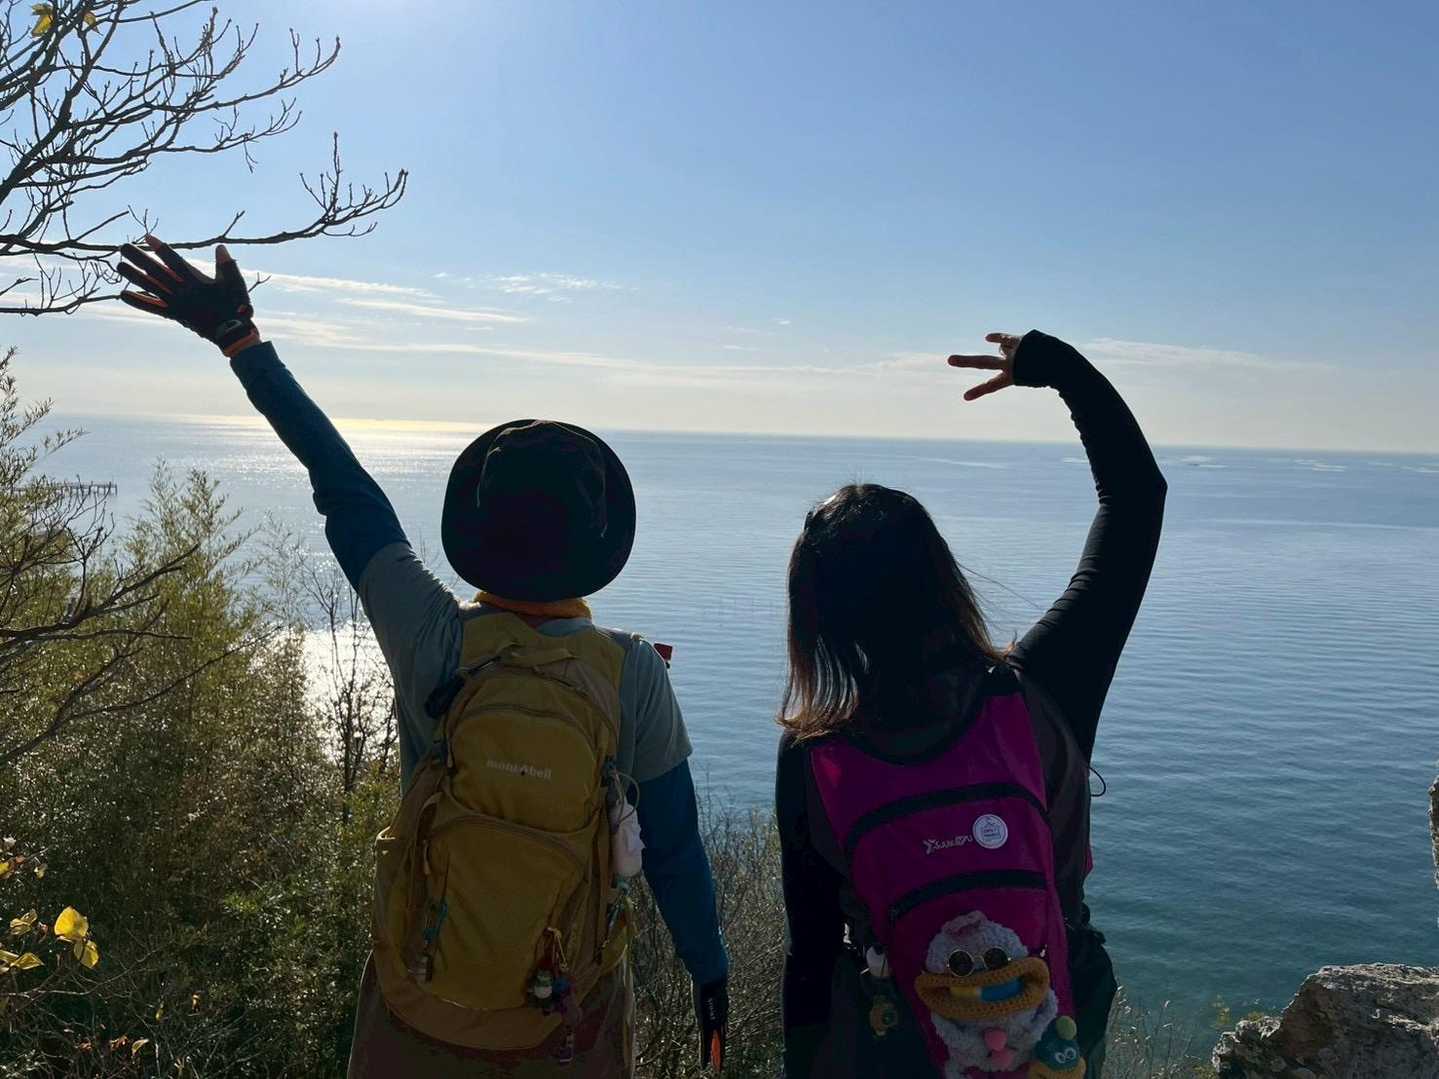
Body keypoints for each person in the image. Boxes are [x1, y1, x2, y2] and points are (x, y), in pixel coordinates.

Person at [116, 238, 730, 1078]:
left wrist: (240, 341)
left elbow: (342, 486)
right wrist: (708, 972)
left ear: (477, 529)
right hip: (566, 1026)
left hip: (418, 1013)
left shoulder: (434, 638)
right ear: (597, 544)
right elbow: (677, 851)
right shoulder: (631, 674)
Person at [775, 330, 1166, 1078]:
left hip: (900, 1045)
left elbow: (811, 958)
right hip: (1056, 1030)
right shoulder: (1039, 692)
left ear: (817, 618)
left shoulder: (814, 757)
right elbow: (1136, 500)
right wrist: (1055, 368)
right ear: (942, 577)